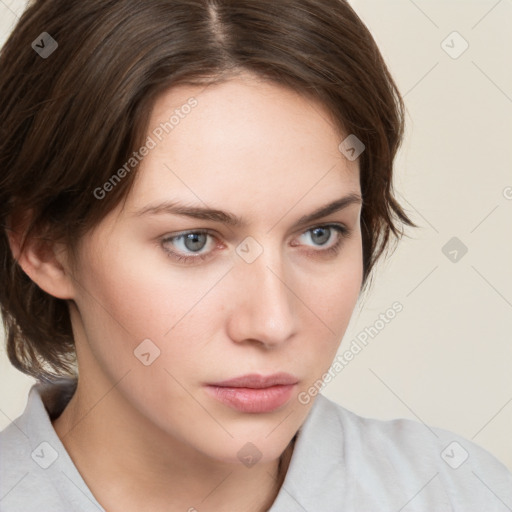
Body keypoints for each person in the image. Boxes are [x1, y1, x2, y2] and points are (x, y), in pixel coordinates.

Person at [0, 0, 510, 511]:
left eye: (319, 234)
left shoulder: (459, 492)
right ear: (45, 248)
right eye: (193, 241)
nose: (273, 322)